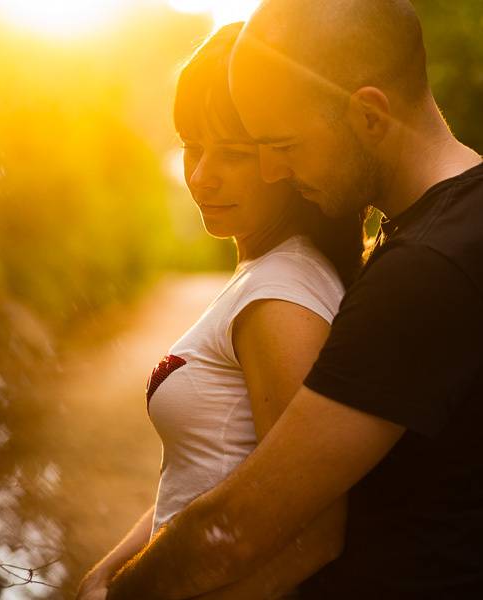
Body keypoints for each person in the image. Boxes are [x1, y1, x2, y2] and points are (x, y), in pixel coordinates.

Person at [105, 1, 483, 598]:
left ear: (368, 115)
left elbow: (239, 526)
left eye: (282, 143)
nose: (274, 169)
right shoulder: (443, 231)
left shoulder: (425, 269)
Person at [76, 22, 367, 600]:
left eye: (233, 153)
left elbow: (315, 533)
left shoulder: (282, 296)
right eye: (191, 145)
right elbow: (199, 475)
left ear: (287, 158)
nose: (202, 175)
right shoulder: (263, 275)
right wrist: (109, 570)